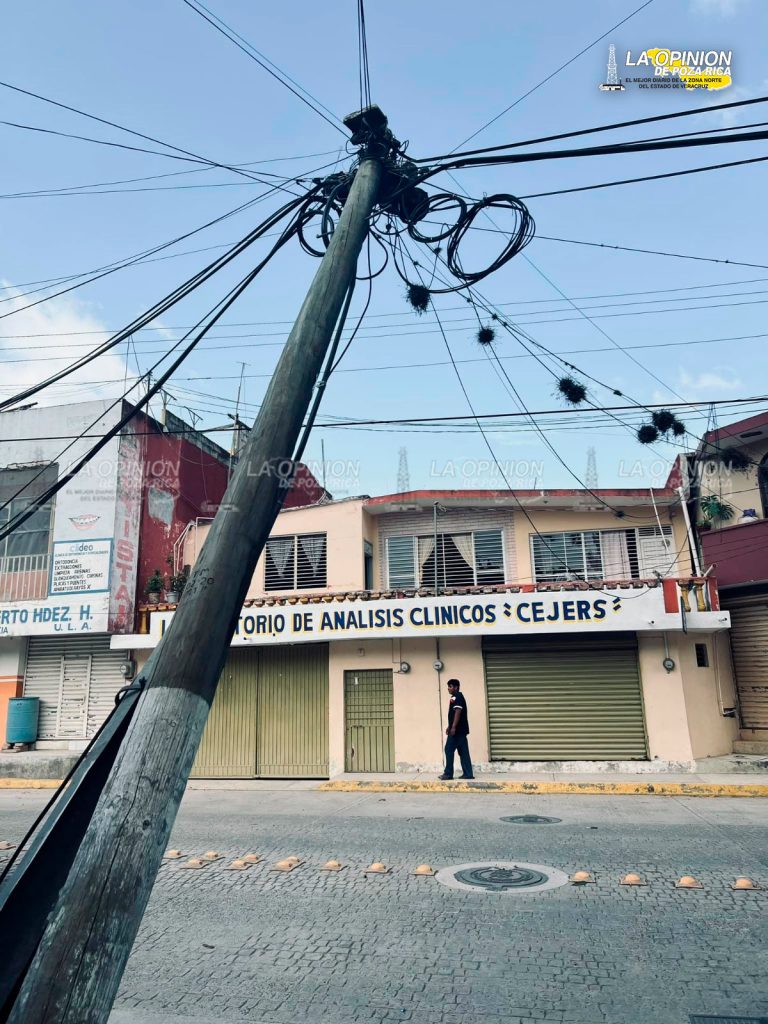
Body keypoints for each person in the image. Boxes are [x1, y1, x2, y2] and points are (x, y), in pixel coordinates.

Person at [439, 678, 474, 780]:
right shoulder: (456, 697)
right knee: (463, 752)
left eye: (450, 686)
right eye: (448, 686)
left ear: (456, 687)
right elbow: (454, 714)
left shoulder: (457, 697)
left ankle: (448, 774)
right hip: (461, 731)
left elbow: (458, 712)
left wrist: (453, 728)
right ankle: (468, 773)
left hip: (457, 731)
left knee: (448, 749)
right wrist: (449, 726)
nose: (448, 689)